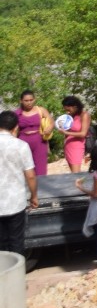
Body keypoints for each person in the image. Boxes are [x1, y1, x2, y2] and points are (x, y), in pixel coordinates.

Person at [0, 110, 37, 257]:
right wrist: (34, 196)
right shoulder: (21, 145)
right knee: (16, 242)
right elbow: (31, 176)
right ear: (16, 127)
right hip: (16, 202)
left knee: (1, 246)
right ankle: (17, 277)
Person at [16, 90, 51, 177]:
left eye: (31, 100)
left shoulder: (41, 110)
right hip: (22, 142)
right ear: (21, 101)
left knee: (40, 168)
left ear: (34, 99)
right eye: (26, 101)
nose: (29, 102)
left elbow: (51, 121)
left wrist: (49, 128)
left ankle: (42, 188)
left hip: (40, 141)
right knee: (24, 168)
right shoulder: (16, 113)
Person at [59, 95, 91, 173]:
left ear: (75, 107)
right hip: (68, 146)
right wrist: (61, 126)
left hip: (77, 146)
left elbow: (83, 133)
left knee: (76, 173)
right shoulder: (70, 117)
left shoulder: (84, 115)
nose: (67, 112)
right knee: (72, 174)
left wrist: (66, 132)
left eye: (69, 110)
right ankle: (76, 185)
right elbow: (68, 130)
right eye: (66, 110)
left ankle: (81, 185)